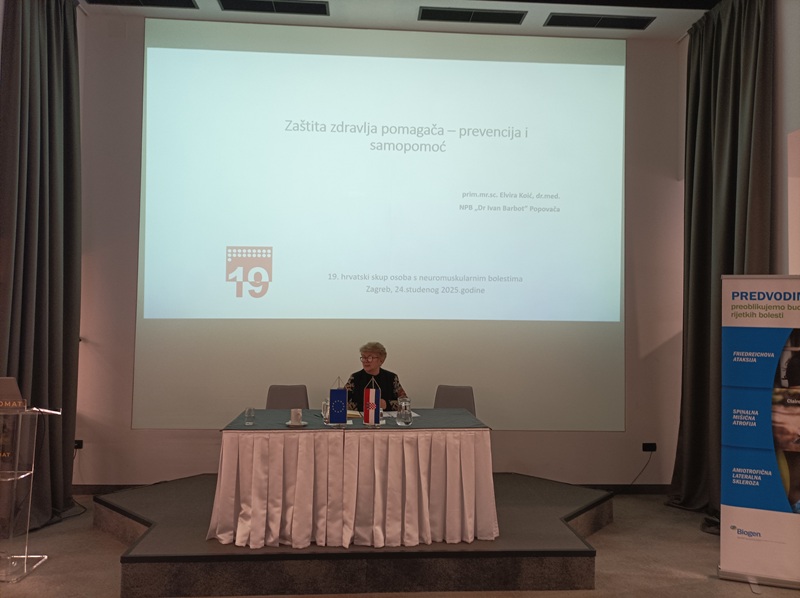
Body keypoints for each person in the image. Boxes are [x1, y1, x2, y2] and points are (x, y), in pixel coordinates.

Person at [346, 341, 407, 412]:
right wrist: (366, 406)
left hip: (386, 418)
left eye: (370, 358)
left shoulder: (391, 378)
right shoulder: (354, 378)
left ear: (381, 360)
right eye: (363, 357)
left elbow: (405, 403)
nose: (365, 361)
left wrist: (386, 404)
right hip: (361, 417)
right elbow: (341, 402)